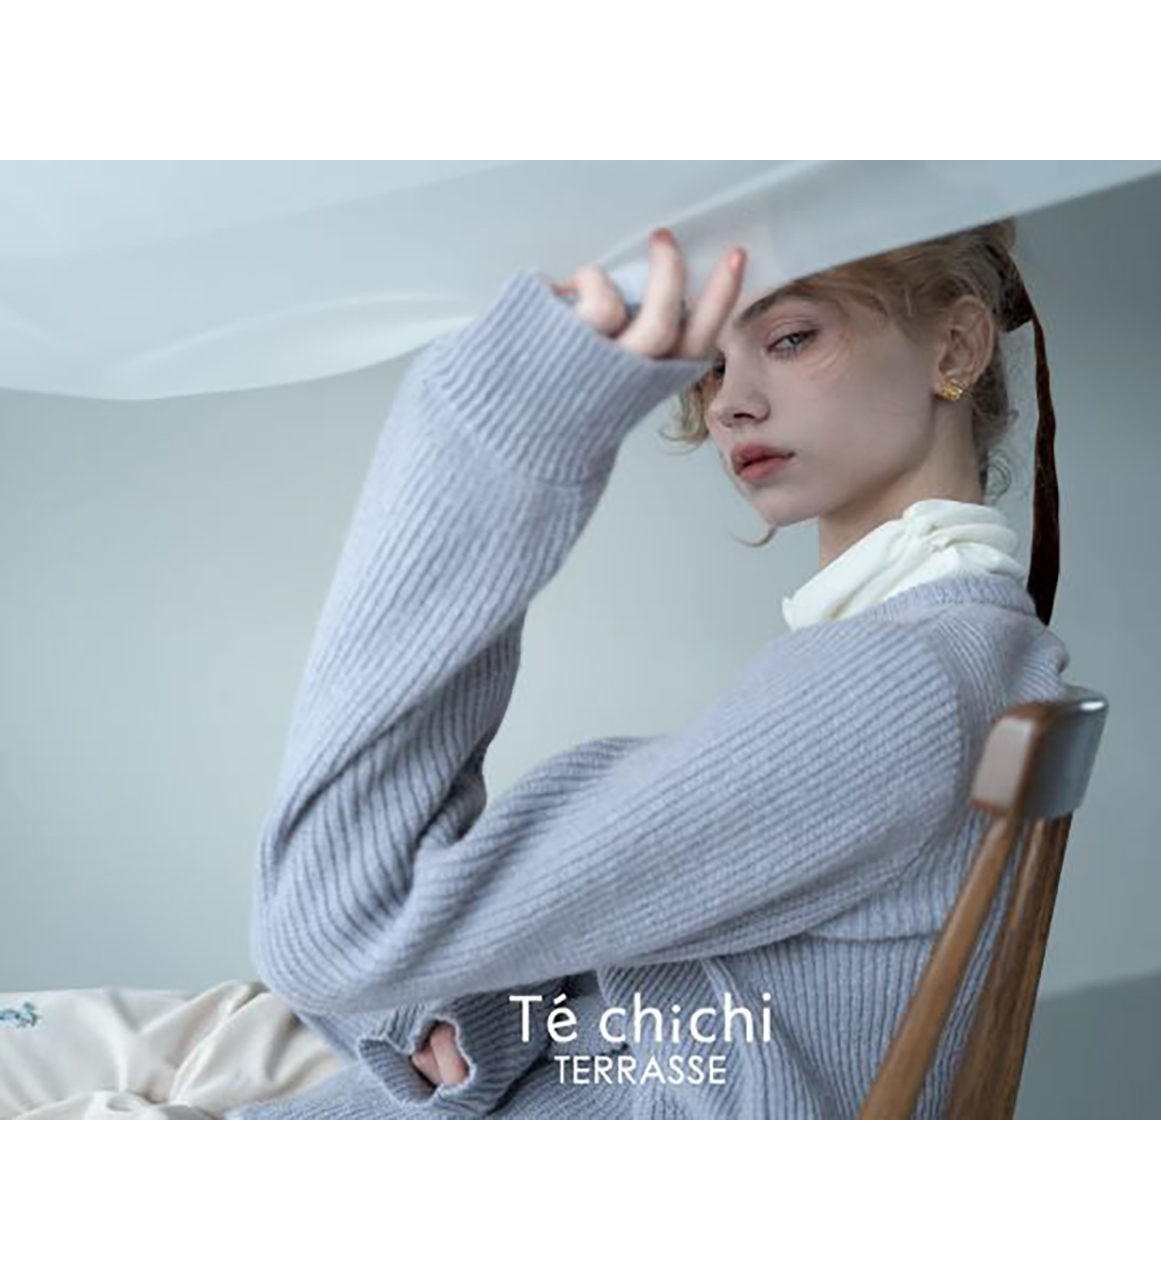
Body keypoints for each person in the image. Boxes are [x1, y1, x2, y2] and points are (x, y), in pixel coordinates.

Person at [218, 217, 1069, 1120]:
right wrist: (461, 1012)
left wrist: (498, 436)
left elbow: (331, 933)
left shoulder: (895, 685)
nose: (730, 404)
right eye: (713, 366)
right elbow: (671, 967)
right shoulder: (965, 653)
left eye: (790, 337)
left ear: (957, 344)